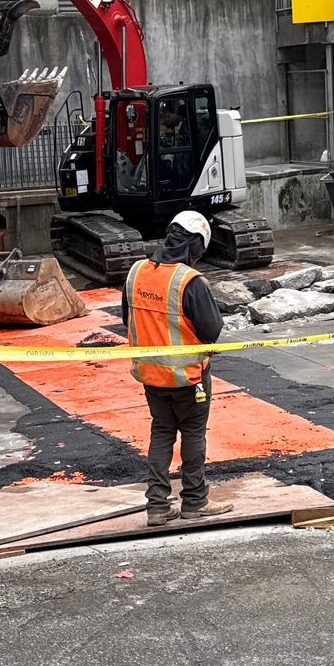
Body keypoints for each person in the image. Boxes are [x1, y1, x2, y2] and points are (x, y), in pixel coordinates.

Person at [123, 211, 232, 526]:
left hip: (151, 377)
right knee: (193, 433)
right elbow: (211, 332)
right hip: (190, 378)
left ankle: (157, 506)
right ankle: (195, 502)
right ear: (196, 246)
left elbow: (127, 319)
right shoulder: (189, 281)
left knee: (161, 432)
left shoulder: (135, 273)